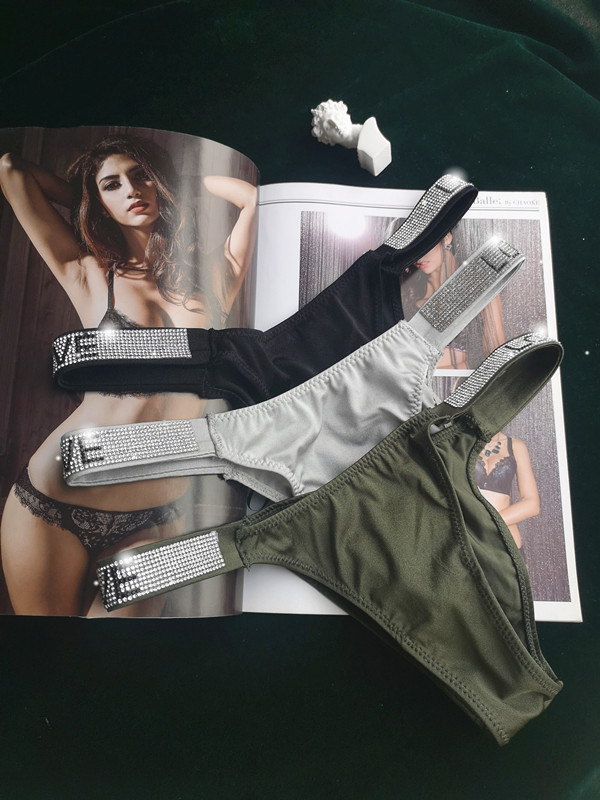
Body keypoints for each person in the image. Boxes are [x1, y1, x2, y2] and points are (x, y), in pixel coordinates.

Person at [0, 133, 257, 616]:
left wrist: (175, 183)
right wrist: (89, 197)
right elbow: (11, 169)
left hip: (156, 517)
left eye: (141, 177)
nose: (132, 190)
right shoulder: (90, 274)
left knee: (114, 659)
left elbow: (249, 198)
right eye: (112, 184)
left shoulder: (215, 278)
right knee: (48, 654)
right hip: (54, 507)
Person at [400, 231, 506, 368]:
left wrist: (463, 367)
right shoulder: (408, 296)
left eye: (424, 245)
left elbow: (496, 357)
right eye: (412, 248)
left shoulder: (480, 287)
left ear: (447, 237)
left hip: (461, 379)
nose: (418, 256)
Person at [475, 431, 540, 549]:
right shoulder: (461, 443)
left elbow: (532, 504)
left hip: (506, 545)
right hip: (471, 541)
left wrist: (487, 524)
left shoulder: (516, 446)